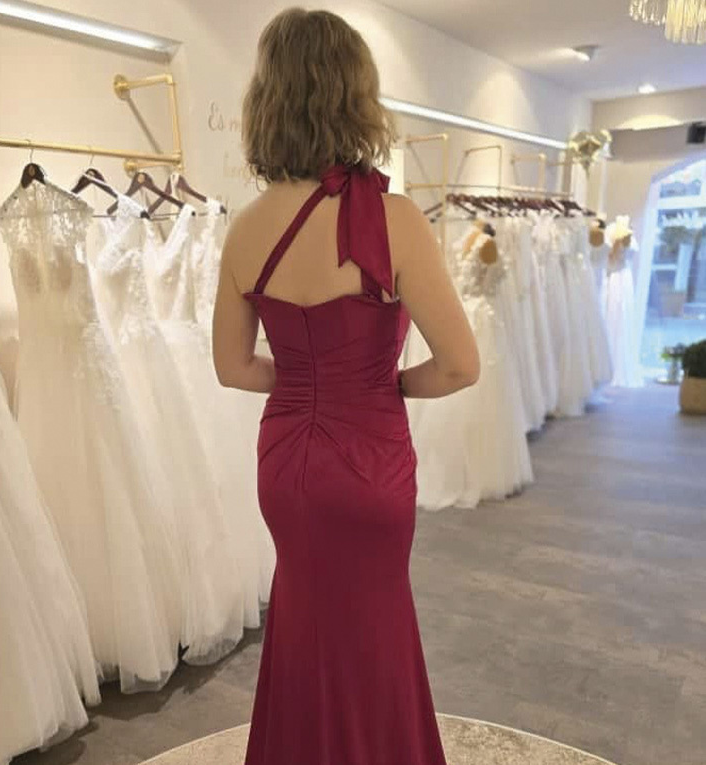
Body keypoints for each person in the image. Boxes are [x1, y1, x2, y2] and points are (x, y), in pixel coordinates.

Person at [212, 8, 479, 764]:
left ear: (266, 101)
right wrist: (380, 385)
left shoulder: (245, 227)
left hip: (284, 465)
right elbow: (459, 365)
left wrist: (306, 382)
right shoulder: (395, 219)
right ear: (355, 97)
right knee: (375, 630)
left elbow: (233, 368)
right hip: (368, 462)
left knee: (302, 621)